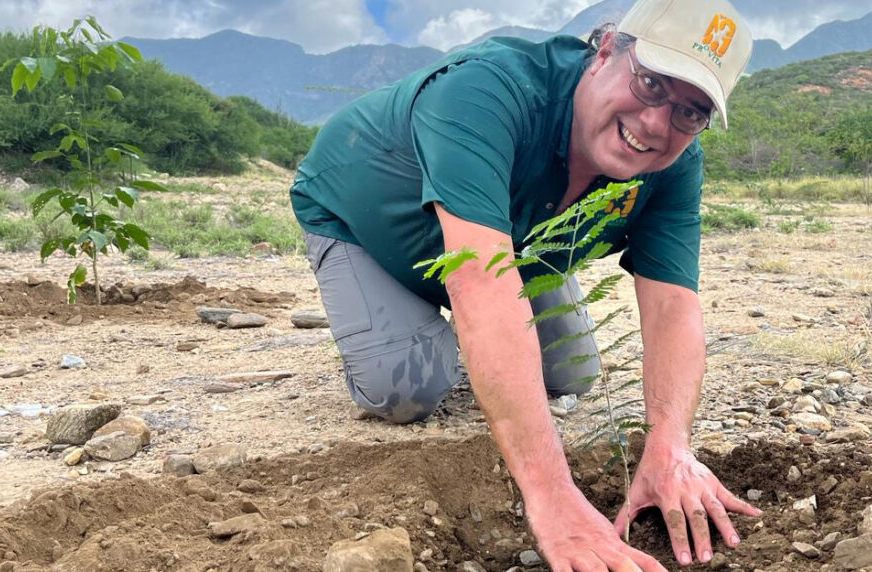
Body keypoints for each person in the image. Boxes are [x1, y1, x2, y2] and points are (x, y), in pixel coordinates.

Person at [290, 0, 760, 568]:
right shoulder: (487, 90)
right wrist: (554, 498)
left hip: (507, 245)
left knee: (575, 374)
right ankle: (415, 322)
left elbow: (673, 306)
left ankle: (485, 342)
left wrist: (670, 446)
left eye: (690, 112)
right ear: (607, 50)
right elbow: (481, 283)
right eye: (652, 84)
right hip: (365, 225)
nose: (657, 123)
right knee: (407, 390)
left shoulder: (674, 165)